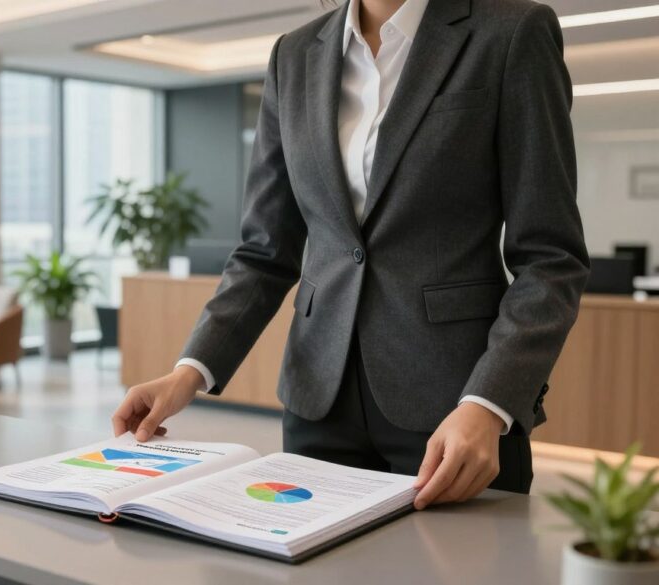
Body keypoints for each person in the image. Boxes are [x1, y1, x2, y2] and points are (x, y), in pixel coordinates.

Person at [111, 0, 590, 510]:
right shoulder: (293, 55)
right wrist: (189, 371)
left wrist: (489, 403)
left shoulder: (511, 33)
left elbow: (550, 259)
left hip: (456, 406)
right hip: (318, 398)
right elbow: (264, 251)